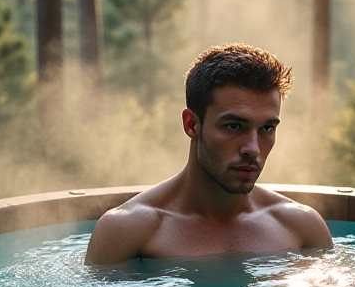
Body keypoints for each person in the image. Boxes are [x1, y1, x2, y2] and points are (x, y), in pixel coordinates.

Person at [85, 43, 333, 265]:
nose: (253, 148)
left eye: (267, 128)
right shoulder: (127, 230)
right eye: (234, 126)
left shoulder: (301, 227)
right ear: (192, 125)